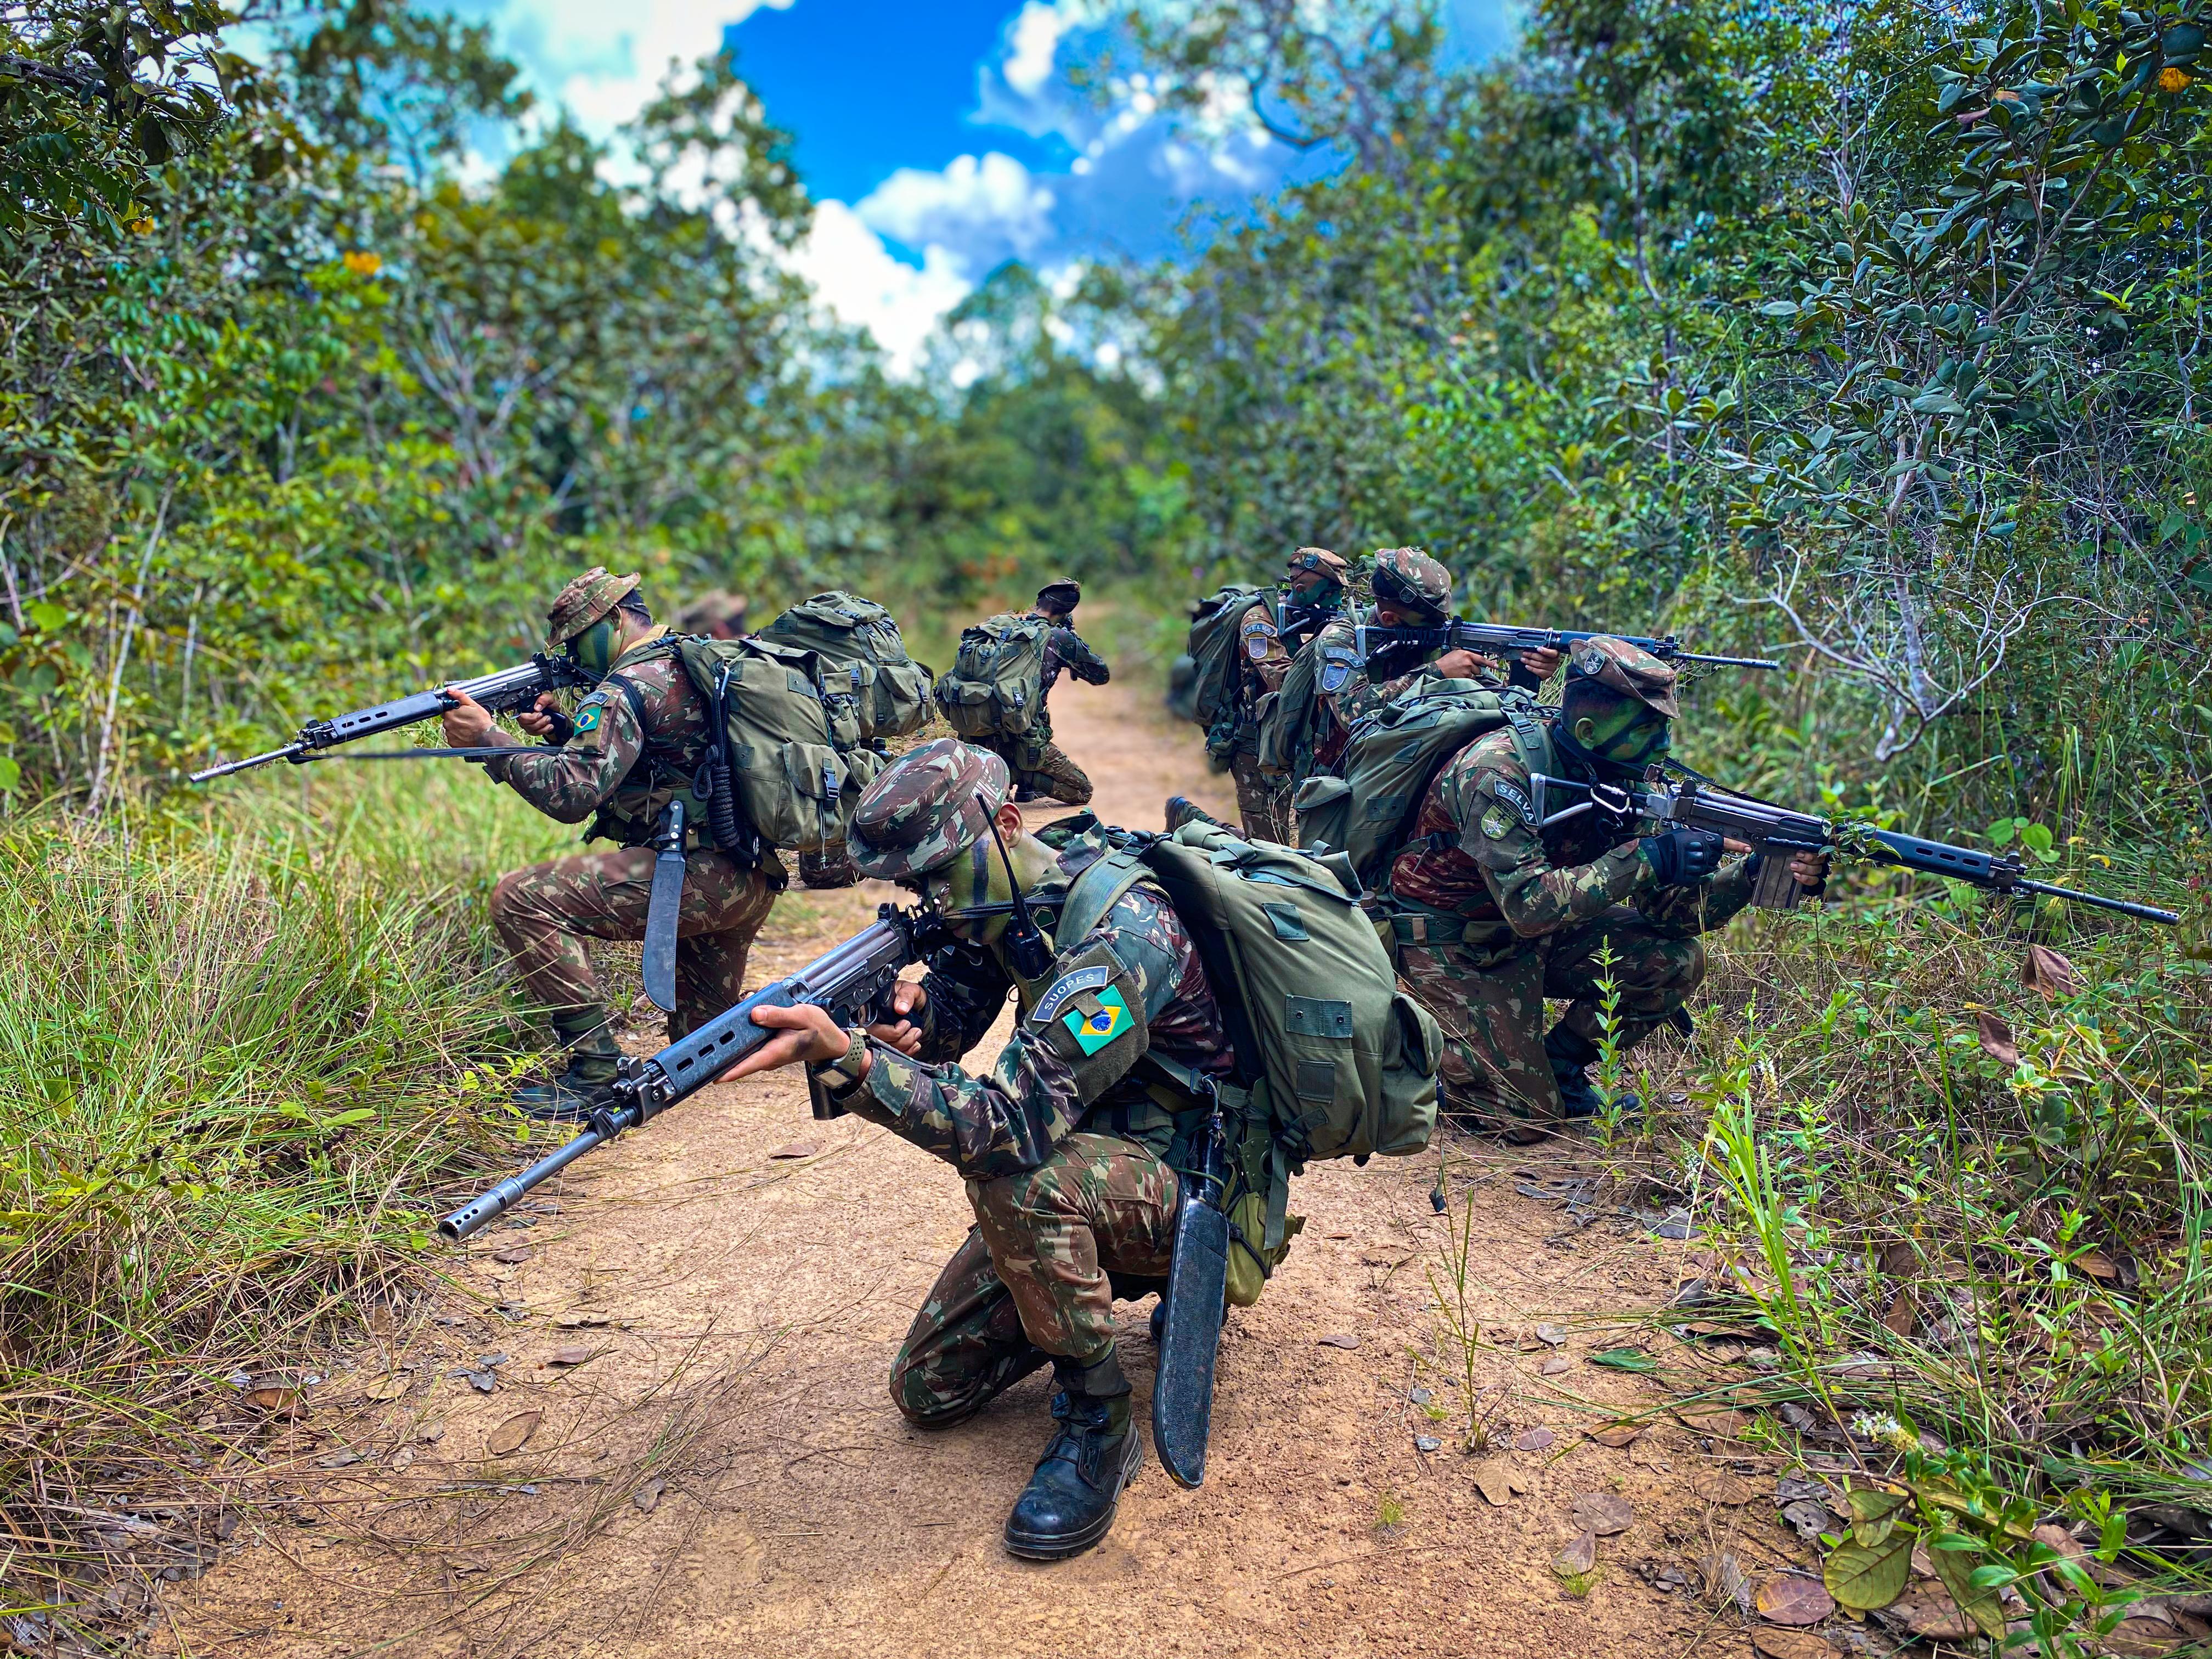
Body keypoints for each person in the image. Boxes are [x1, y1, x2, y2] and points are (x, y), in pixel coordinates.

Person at [718, 737, 1238, 1561]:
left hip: (1187, 1184)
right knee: (928, 1389)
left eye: (938, 873)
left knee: (1016, 1181)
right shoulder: (1005, 897)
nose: (928, 900)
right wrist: (905, 1026)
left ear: (1005, 823)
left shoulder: (1121, 936)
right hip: (1096, 1158)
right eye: (910, 883)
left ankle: (1100, 1418)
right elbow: (954, 1015)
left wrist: (854, 1064)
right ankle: (1080, 1286)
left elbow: (1011, 1126)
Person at [1381, 637, 1829, 1141]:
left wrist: (1747, 878)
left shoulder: (1622, 778)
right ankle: (1409, 1048)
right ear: (1590, 731)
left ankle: (1561, 1066)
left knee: (1674, 960)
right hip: (1454, 942)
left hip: (1532, 936)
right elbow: (1529, 906)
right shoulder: (1498, 770)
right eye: (1649, 729)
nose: (1664, 746)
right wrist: (1646, 859)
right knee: (1525, 1120)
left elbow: (1668, 918)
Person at [439, 567, 777, 1119]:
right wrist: (565, 734)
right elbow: (661, 764)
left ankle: (595, 1072)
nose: (573, 655)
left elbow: (573, 794)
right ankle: (841, 1022)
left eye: (578, 639)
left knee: (521, 898)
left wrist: (491, 742)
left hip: (689, 882)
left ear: (616, 620)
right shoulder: (689, 658)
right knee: (707, 1048)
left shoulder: (623, 687)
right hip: (746, 876)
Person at [1221, 547, 1349, 840]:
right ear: (1302, 587)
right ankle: (1200, 826)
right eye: (1330, 593)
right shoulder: (1259, 622)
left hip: (1304, 739)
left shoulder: (1325, 619)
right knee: (1266, 838)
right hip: (1258, 741)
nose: (1337, 601)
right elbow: (1284, 681)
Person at [986, 578, 1110, 806]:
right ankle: (1022, 776)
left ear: (1038, 602)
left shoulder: (999, 627)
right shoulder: (1058, 638)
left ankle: (1003, 778)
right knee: (1082, 790)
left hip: (978, 736)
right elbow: (1100, 675)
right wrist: (1073, 639)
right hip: (1021, 738)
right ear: (1067, 611)